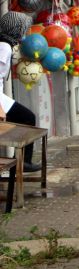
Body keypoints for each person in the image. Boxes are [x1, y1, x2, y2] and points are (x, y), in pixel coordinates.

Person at [0, 12, 42, 172]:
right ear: (17, 29)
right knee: (27, 118)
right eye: (23, 27)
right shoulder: (4, 47)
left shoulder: (5, 44)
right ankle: (23, 161)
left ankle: (21, 160)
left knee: (26, 118)